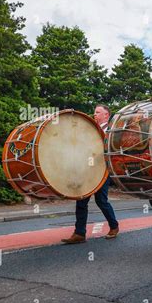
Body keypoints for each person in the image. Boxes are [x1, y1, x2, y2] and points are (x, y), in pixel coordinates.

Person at [62, 104, 119, 244]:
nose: (95, 114)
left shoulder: (112, 131)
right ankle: (79, 233)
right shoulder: (90, 130)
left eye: (98, 112)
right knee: (81, 201)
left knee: (101, 201)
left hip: (102, 172)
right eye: (94, 112)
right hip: (87, 171)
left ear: (107, 115)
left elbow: (110, 150)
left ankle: (114, 226)